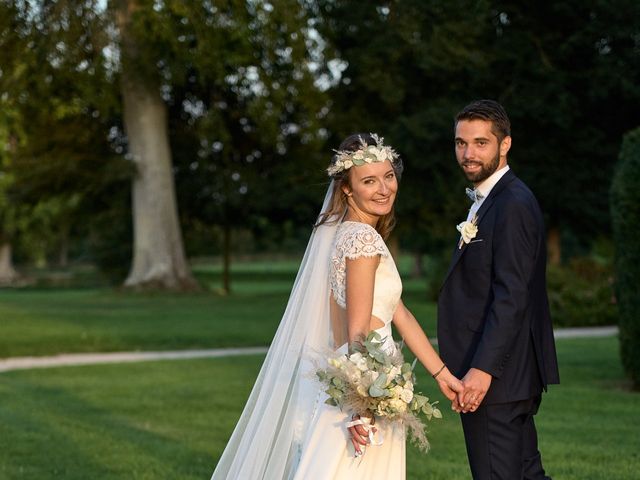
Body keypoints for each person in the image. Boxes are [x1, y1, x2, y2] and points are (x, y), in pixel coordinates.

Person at [211, 133, 462, 479]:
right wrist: (367, 404)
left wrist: (442, 374)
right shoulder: (361, 238)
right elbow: (358, 330)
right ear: (347, 189)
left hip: (359, 379)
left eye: (388, 177)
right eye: (369, 181)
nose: (384, 189)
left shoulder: (346, 232)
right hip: (365, 385)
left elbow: (398, 311)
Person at [437, 99, 560, 480]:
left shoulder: (512, 203)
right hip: (510, 377)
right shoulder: (490, 200)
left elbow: (513, 295)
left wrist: (482, 370)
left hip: (497, 378)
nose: (468, 154)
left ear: (505, 144)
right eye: (461, 143)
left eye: (480, 143)